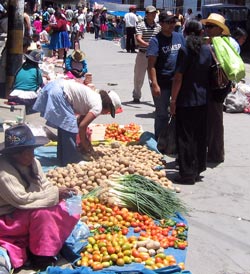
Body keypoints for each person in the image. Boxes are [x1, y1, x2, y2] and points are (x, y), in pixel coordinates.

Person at [0, 123, 79, 273]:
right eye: (24, 152)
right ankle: (41, 256)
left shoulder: (33, 162)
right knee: (43, 214)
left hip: (27, 208)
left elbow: (45, 185)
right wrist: (55, 194)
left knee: (63, 208)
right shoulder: (3, 172)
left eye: (31, 150)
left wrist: (59, 192)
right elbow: (21, 200)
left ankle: (45, 243)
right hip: (7, 217)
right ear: (13, 153)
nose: (30, 155)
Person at [32, 79, 121, 166]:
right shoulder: (98, 107)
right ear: (108, 105)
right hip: (59, 92)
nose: (106, 113)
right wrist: (86, 146)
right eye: (109, 111)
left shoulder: (94, 97)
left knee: (65, 126)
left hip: (56, 87)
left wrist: (83, 143)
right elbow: (82, 127)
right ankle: (71, 160)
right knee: (68, 126)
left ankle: (62, 157)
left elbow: (79, 122)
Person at [170, 20, 212, 184]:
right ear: (201, 33)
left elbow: (178, 77)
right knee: (200, 135)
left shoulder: (185, 50)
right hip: (203, 99)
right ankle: (198, 167)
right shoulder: (207, 50)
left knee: (186, 137)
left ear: (185, 32)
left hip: (186, 100)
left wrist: (173, 100)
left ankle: (187, 173)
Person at [147, 11, 185, 140]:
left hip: (177, 82)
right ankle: (160, 140)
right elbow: (151, 65)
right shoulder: (155, 41)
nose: (172, 25)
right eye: (168, 22)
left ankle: (175, 140)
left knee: (177, 112)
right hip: (162, 82)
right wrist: (155, 84)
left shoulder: (179, 37)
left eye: (173, 22)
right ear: (161, 23)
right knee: (162, 114)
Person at [201, 13, 231, 163]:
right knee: (214, 120)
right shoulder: (227, 42)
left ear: (219, 29)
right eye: (206, 26)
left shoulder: (217, 45)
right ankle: (214, 151)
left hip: (215, 87)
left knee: (214, 121)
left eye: (210, 26)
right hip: (221, 86)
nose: (207, 29)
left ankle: (215, 154)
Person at [132, 5, 161, 103]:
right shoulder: (141, 25)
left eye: (155, 13)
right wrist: (148, 45)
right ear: (147, 14)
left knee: (153, 78)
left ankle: (156, 98)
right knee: (138, 76)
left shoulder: (158, 26)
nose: (154, 15)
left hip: (154, 55)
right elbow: (138, 38)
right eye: (151, 13)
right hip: (143, 54)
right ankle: (136, 95)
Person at [8, 50, 44, 114]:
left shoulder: (20, 68)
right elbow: (40, 83)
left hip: (13, 95)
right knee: (42, 90)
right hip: (27, 98)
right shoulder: (36, 70)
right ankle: (30, 108)